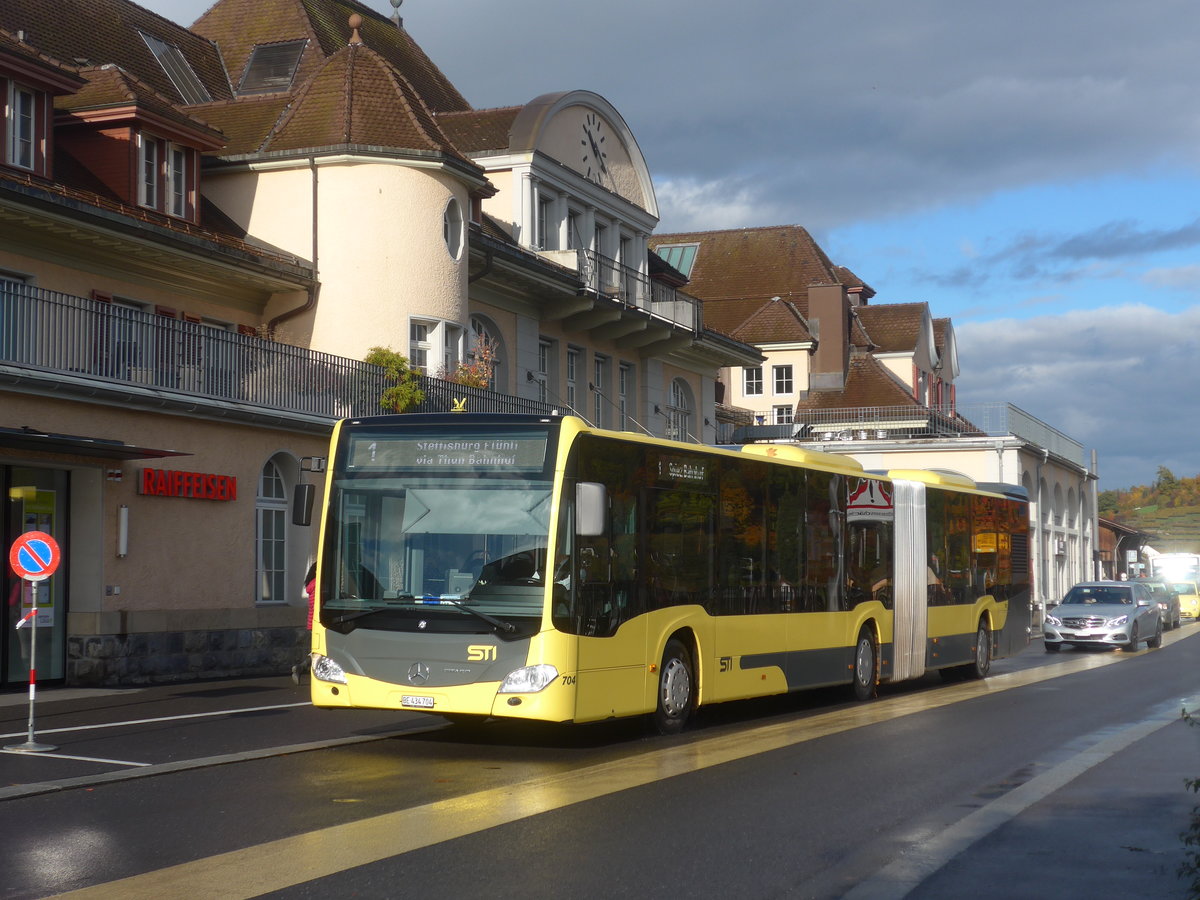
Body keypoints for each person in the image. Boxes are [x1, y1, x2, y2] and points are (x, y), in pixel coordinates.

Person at [292, 561, 316, 685]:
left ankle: (301, 668)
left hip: (311, 624)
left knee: (317, 652)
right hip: (318, 624)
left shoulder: (311, 586)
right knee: (320, 654)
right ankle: (300, 667)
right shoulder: (318, 585)